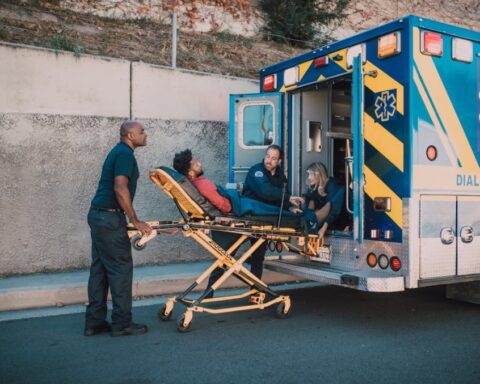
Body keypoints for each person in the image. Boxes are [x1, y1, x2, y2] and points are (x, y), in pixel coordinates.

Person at [85, 120, 152, 337]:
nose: (146, 134)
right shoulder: (125, 154)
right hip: (110, 218)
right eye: (142, 131)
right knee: (120, 269)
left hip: (98, 216)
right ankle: (122, 324)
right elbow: (120, 187)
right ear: (130, 136)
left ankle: (94, 323)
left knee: (100, 270)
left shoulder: (118, 151)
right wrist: (134, 220)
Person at [304, 162, 345, 241]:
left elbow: (333, 209)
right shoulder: (313, 187)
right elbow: (310, 209)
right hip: (328, 219)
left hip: (339, 219)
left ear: (318, 175)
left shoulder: (332, 185)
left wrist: (323, 229)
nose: (309, 177)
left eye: (311, 174)